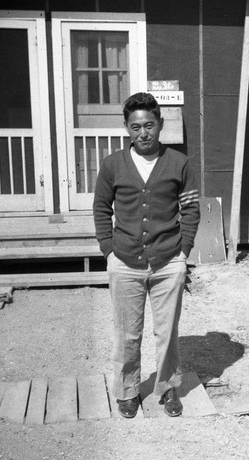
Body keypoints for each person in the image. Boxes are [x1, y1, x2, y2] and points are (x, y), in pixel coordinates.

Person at [93, 92, 200, 418]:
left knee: (167, 332)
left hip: (168, 262)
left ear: (160, 125)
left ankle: (168, 388)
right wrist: (109, 250)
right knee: (128, 332)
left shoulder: (179, 163)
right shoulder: (113, 165)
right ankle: (127, 390)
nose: (143, 133)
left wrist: (183, 251)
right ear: (126, 128)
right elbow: (100, 208)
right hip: (125, 262)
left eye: (149, 125)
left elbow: (191, 209)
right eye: (136, 126)